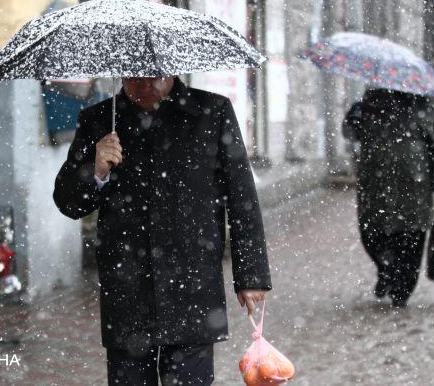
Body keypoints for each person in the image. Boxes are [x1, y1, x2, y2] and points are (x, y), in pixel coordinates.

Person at [53, 76, 271, 384]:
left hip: (192, 282)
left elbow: (241, 197)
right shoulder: (101, 119)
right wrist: (97, 168)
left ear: (171, 70)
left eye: (154, 78)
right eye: (134, 79)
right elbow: (68, 202)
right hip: (127, 287)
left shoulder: (211, 111)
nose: (145, 86)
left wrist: (250, 275)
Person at [343, 88, 434, 307]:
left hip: (412, 184)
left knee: (410, 239)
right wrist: (355, 116)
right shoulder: (370, 104)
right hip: (377, 183)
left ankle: (401, 288)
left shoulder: (420, 106)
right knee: (373, 234)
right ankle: (388, 272)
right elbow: (350, 132)